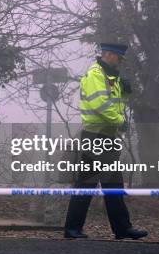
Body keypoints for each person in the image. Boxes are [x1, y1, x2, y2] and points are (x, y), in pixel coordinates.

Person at [63, 42, 148, 240]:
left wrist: (125, 93)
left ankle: (75, 228)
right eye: (119, 57)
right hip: (97, 136)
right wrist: (120, 121)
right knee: (105, 183)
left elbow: (114, 104)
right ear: (108, 54)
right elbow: (100, 104)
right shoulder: (96, 74)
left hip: (102, 136)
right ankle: (120, 228)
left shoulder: (109, 75)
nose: (120, 61)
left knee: (95, 183)